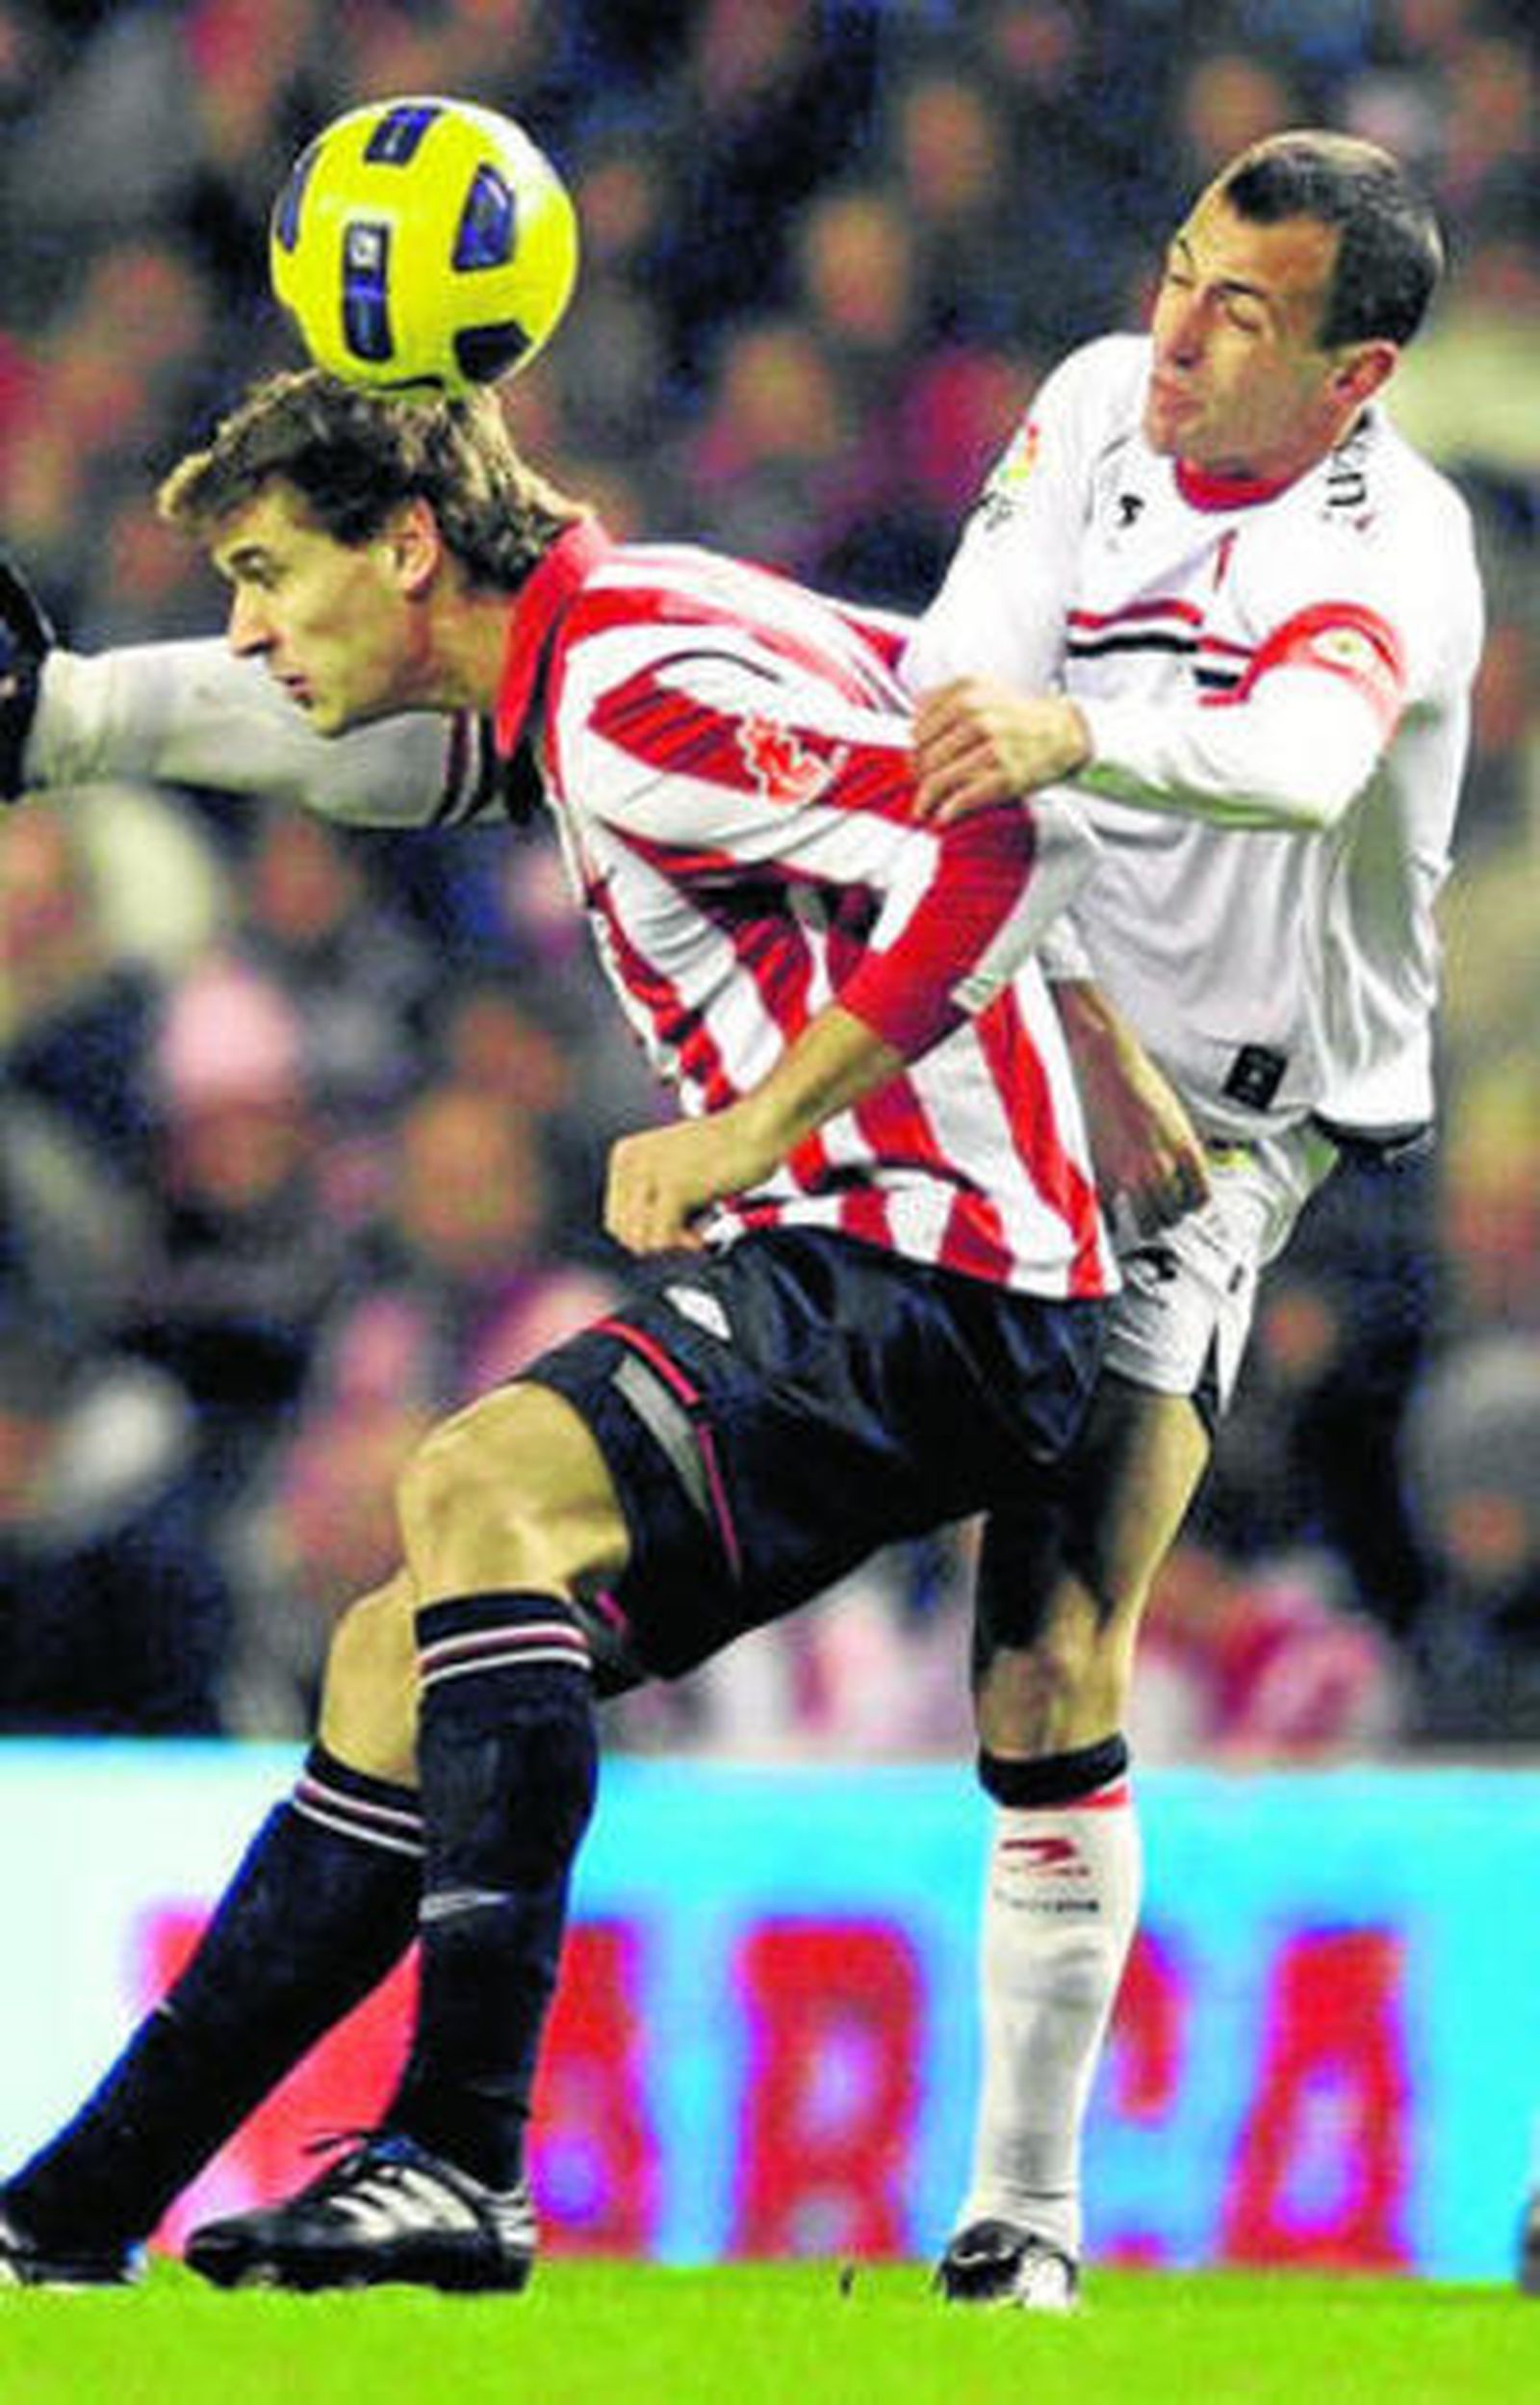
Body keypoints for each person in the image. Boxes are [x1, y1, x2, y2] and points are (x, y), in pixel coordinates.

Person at [0, 364, 1115, 2296]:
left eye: (271, 573)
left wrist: (758, 1125)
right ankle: (65, 2217)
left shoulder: (629, 689)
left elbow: (994, 839)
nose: (254, 627)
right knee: (391, 1662)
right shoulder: (645, 628)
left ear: (410, 544)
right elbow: (938, 748)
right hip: (916, 1269)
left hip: (922, 1266)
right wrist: (91, 711)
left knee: (478, 1482)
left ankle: (458, 2153)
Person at [898, 129, 1480, 2305]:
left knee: (1047, 1630)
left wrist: (1067, 727)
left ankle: (1021, 2218)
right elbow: (947, 693)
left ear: (1355, 373)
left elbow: (1293, 762)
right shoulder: (1082, 406)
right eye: (1174, 275)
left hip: (1225, 1133)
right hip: (1024, 1015)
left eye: (1243, 315)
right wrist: (1045, 976)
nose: (1178, 335)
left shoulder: (1391, 539)